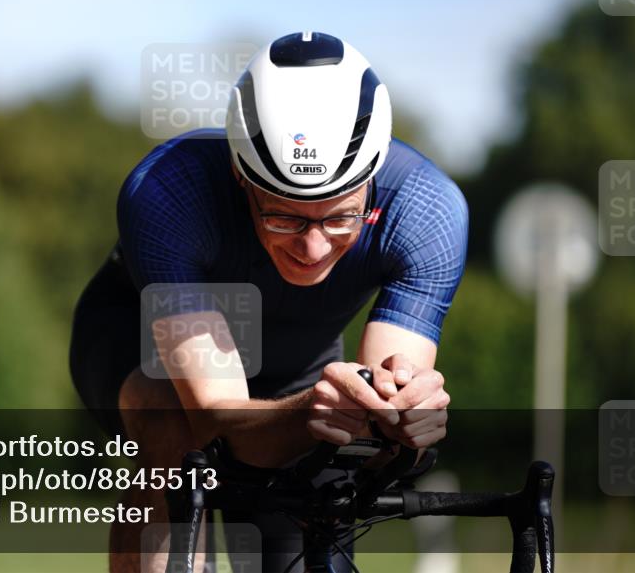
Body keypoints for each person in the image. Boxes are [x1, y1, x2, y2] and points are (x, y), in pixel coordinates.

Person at [69, 31, 468, 573]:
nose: (313, 247)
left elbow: (383, 413)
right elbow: (213, 415)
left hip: (302, 367)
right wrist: (318, 409)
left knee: (323, 481)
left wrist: (402, 422)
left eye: (341, 217)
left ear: (372, 179)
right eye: (283, 217)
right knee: (174, 433)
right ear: (241, 175)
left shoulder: (427, 210)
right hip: (141, 346)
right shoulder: (168, 190)